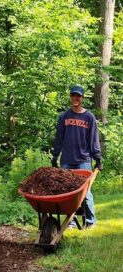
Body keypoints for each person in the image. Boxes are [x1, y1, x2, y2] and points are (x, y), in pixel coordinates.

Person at [51, 85, 102, 228]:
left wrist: (97, 159)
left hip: (83, 161)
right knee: (67, 194)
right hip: (66, 160)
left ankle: (91, 221)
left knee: (85, 193)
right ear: (70, 97)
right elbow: (59, 139)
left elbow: (93, 140)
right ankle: (71, 222)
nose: (76, 98)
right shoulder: (64, 117)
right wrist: (55, 157)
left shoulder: (89, 117)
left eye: (78, 96)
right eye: (73, 95)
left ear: (82, 98)